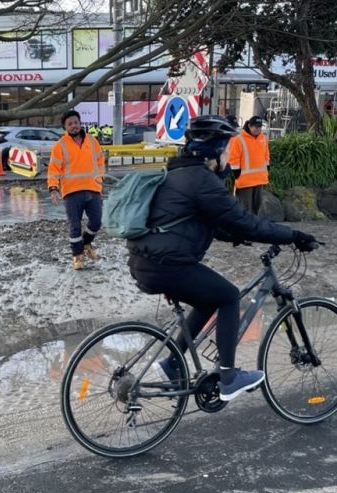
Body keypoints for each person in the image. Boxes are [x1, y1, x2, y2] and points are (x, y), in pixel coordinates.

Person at [126, 115, 317, 402]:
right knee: (228, 296)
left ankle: (173, 362)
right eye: (227, 148)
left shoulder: (180, 173)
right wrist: (293, 235)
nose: (229, 154)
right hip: (167, 263)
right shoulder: (202, 180)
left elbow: (198, 221)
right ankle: (228, 377)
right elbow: (245, 221)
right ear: (215, 151)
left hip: (146, 261)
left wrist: (234, 236)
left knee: (206, 299)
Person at [48, 110, 106, 270]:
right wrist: (53, 188)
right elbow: (54, 169)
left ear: (80, 123)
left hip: (93, 188)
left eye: (76, 122)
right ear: (65, 127)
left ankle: (86, 244)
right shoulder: (60, 145)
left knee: (96, 221)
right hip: (71, 192)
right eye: (70, 124)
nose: (74, 126)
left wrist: (100, 177)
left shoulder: (92, 141)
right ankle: (77, 256)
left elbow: (101, 160)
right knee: (74, 225)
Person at [228, 115, 269, 215]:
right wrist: (236, 172)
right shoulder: (238, 139)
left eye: (259, 127)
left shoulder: (263, 138)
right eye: (256, 127)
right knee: (244, 209)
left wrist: (267, 166)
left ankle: (253, 228)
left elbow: (266, 154)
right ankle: (243, 229)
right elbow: (234, 157)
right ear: (249, 126)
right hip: (244, 181)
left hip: (259, 179)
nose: (258, 129)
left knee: (256, 208)